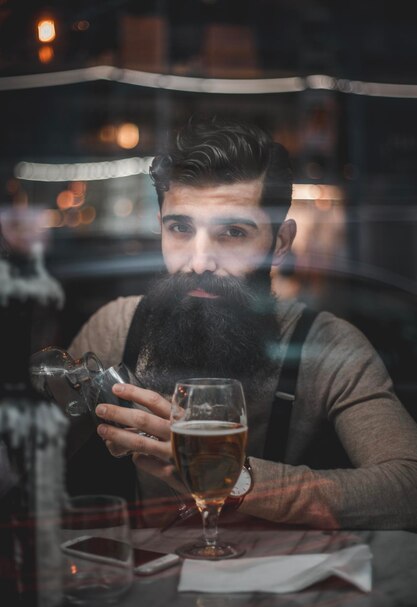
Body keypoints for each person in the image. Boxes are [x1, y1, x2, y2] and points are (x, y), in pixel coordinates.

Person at [67, 116, 417, 530]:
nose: (199, 262)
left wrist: (234, 477)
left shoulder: (328, 346)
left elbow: (406, 488)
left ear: (280, 243)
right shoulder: (116, 328)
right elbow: (27, 459)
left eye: (232, 233)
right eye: (179, 228)